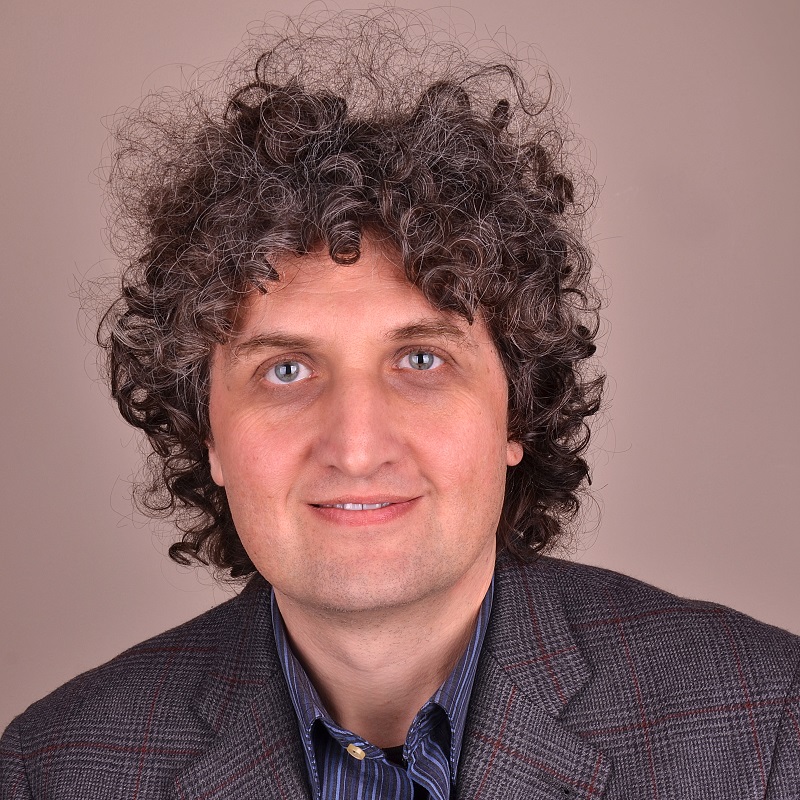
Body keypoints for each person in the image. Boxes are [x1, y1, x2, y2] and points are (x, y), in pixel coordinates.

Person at [1, 10, 798, 799]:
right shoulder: (53, 771)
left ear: (517, 408)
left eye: (421, 360)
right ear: (206, 428)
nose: (356, 446)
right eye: (285, 370)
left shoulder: (768, 732)